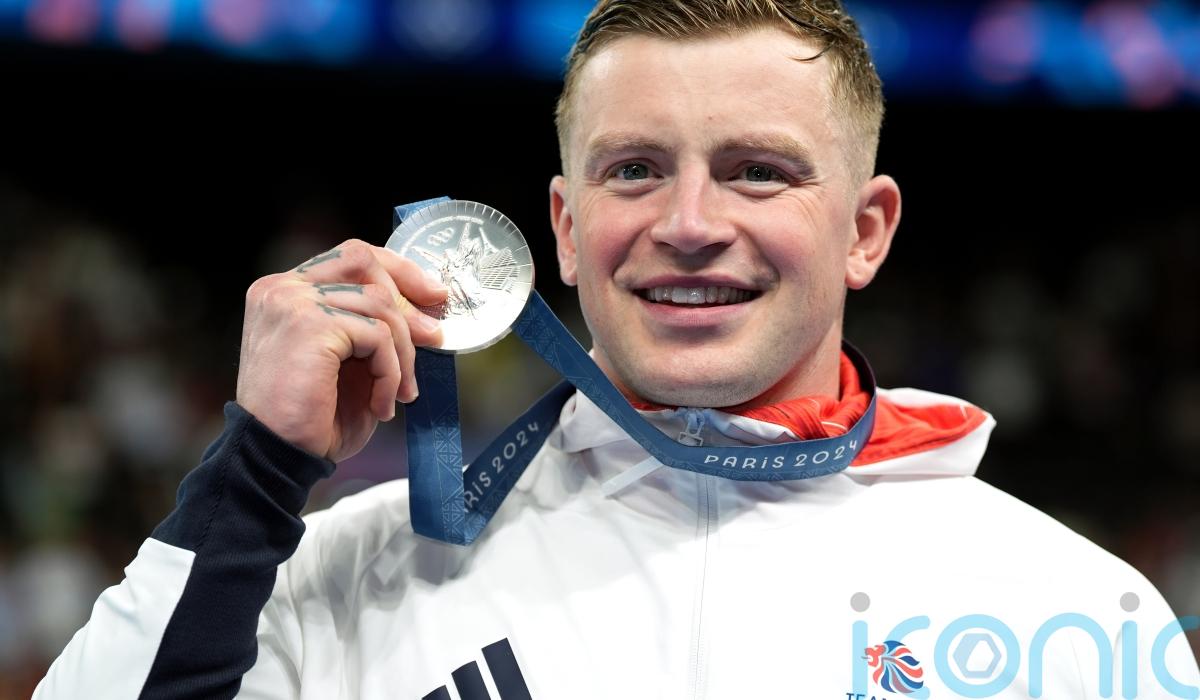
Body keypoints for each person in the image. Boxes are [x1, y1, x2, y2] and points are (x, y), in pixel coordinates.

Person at [35, 1, 1200, 698]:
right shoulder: (348, 572)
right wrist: (256, 471)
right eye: (635, 168)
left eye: (758, 170)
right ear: (565, 226)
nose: (688, 222)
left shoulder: (1074, 609)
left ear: (865, 231)